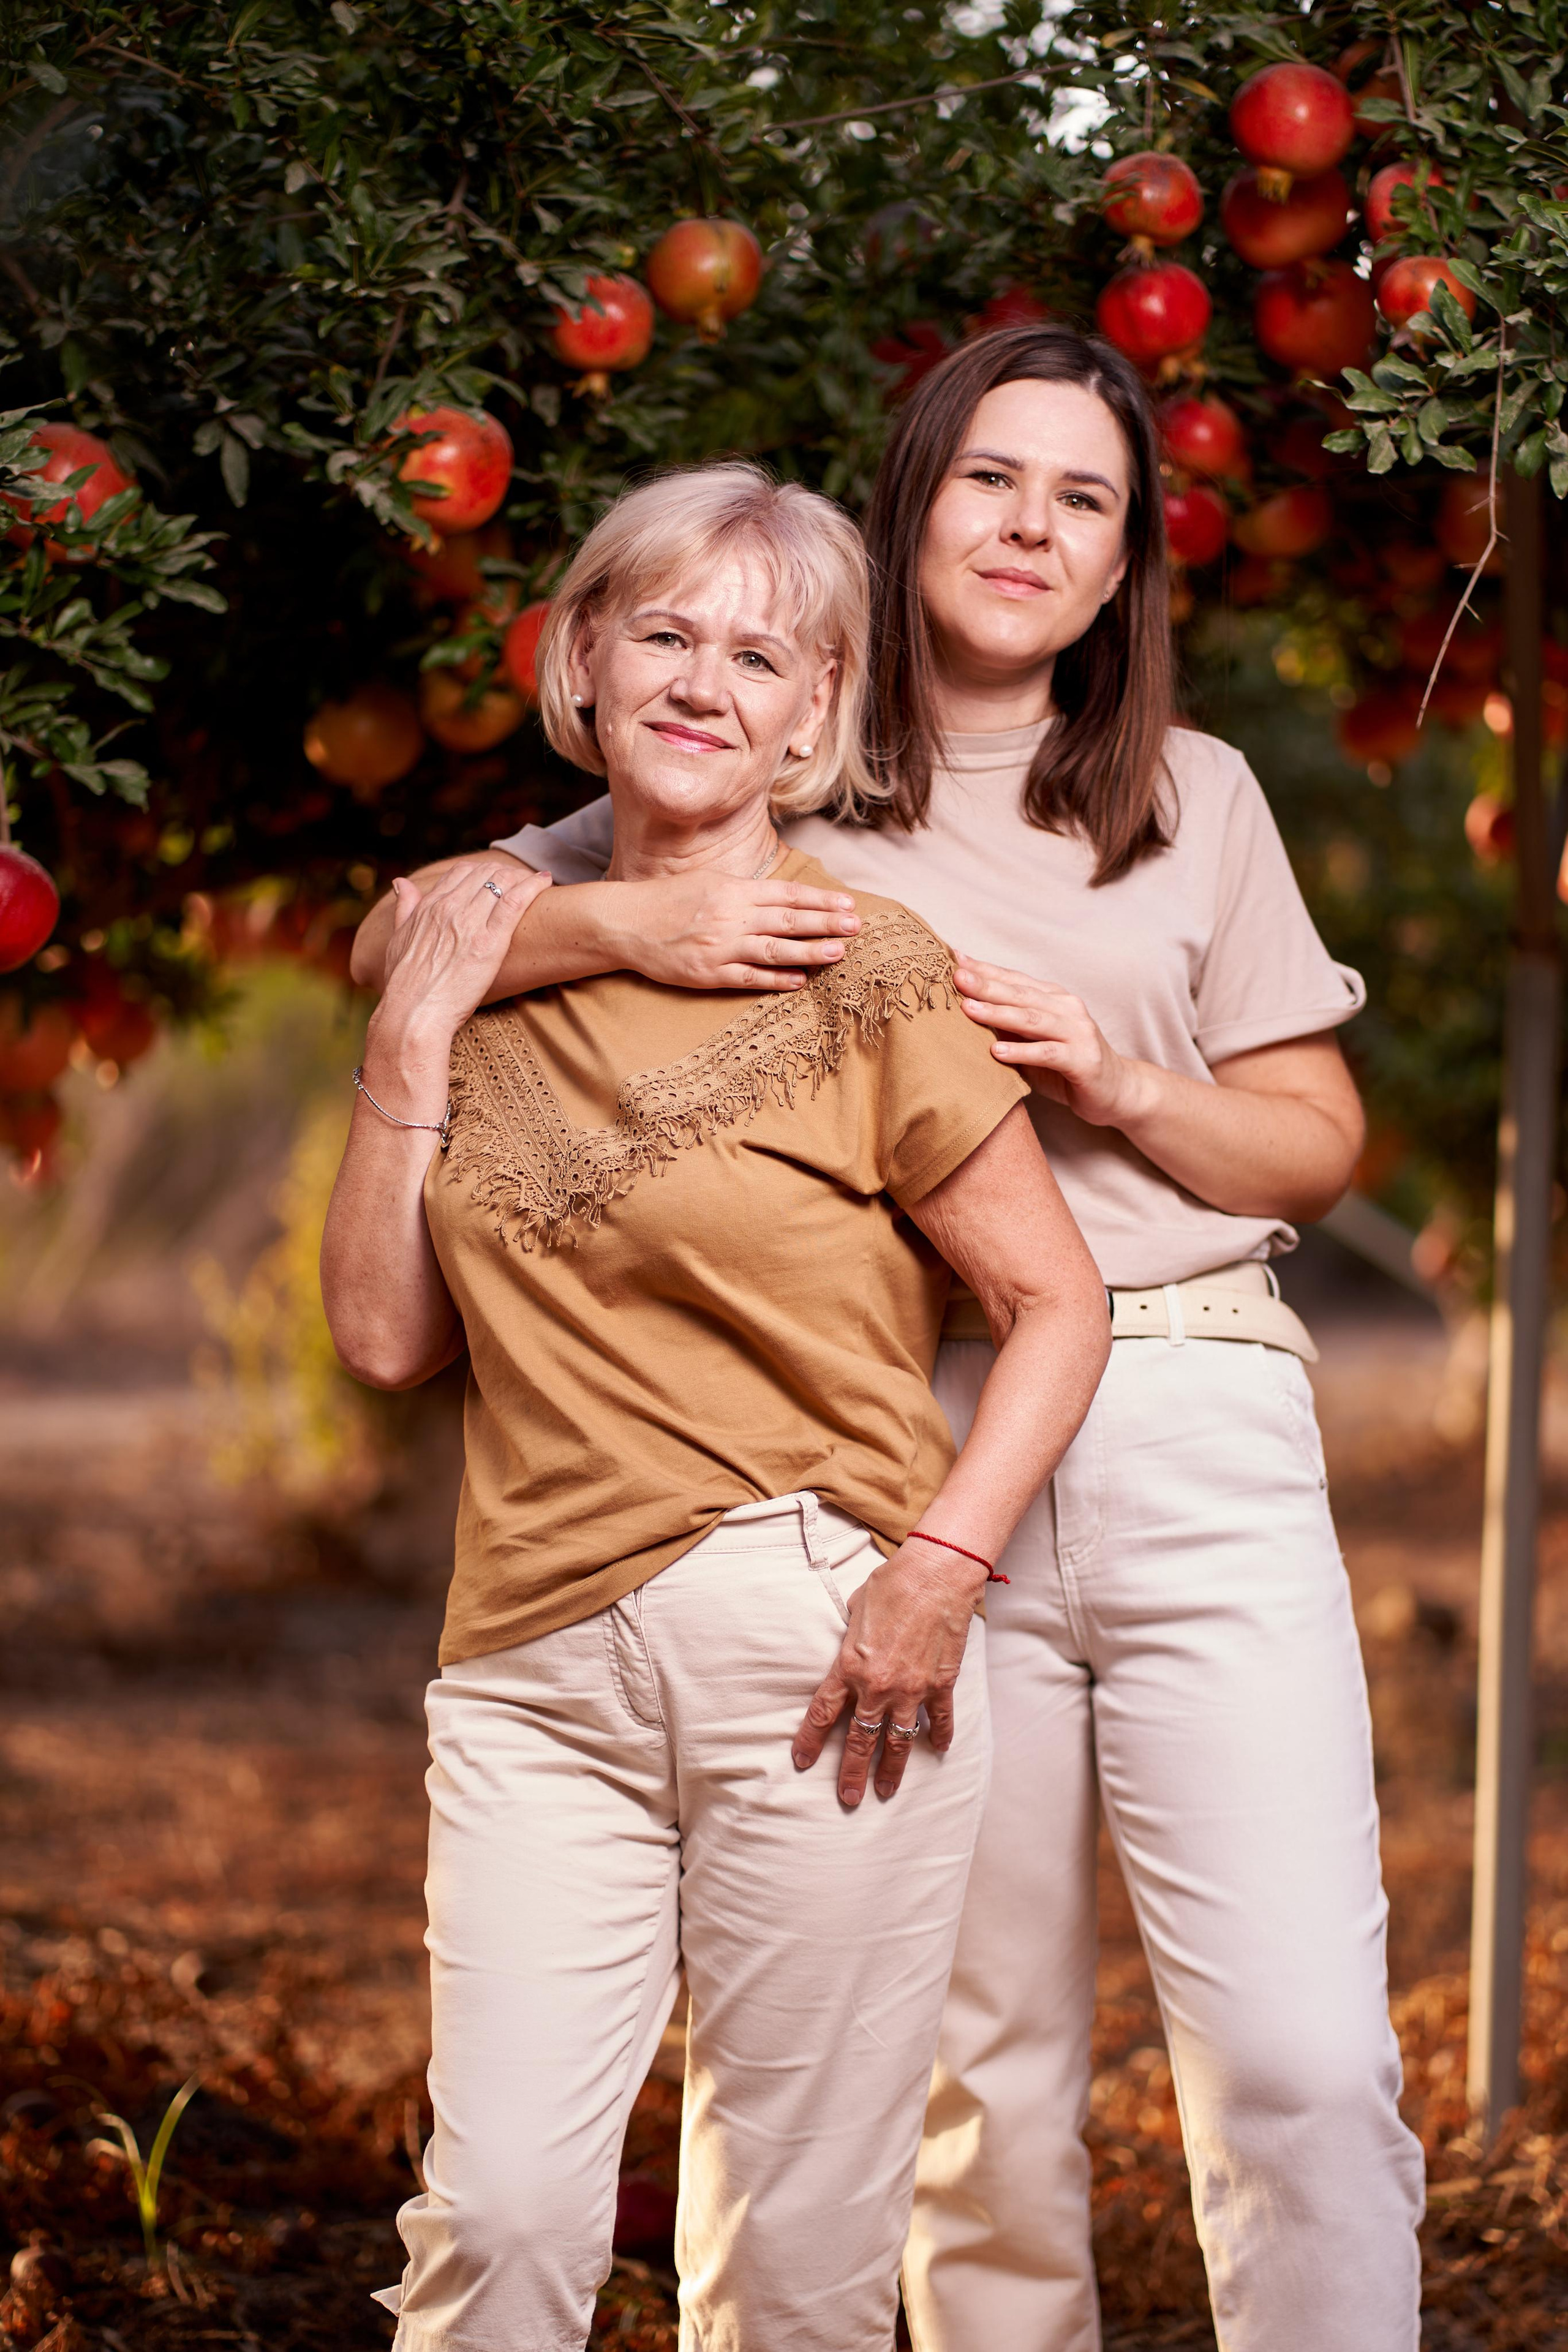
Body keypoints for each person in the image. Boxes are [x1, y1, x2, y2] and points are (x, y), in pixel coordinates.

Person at [355, 325, 1428, 2350]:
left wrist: (1121, 1082)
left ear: (1126, 569)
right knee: (974, 2074)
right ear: (907, 502)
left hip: (1188, 1394)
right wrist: (635, 929)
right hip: (900, 1436)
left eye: (1085, 500)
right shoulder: (769, 752)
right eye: (990, 481)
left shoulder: (1184, 798)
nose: (1030, 529)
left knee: (1296, 2054)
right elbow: (412, 937)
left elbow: (1314, 1142)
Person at [325, 460, 1110, 2352]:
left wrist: (938, 1567)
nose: (703, 683)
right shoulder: (458, 947)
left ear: (820, 712)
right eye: (662, 634)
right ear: (580, 658)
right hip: (528, 1662)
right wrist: (423, 1031)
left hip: (826, 1647)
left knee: (791, 2263)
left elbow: (1052, 1303)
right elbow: (380, 1340)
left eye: (762, 657)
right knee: (500, 2217)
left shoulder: (865, 970)